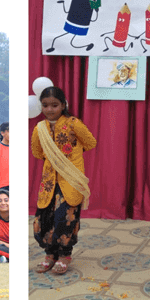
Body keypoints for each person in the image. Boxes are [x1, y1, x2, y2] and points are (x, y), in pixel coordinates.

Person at [31, 85, 96, 275]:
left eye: (54, 105)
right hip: (49, 181)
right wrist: (54, 160)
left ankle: (64, 255)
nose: (50, 109)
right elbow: (37, 152)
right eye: (45, 105)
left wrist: (72, 155)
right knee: (43, 220)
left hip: (71, 178)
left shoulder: (74, 123)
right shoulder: (39, 128)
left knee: (64, 219)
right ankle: (49, 254)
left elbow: (90, 143)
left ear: (63, 105)